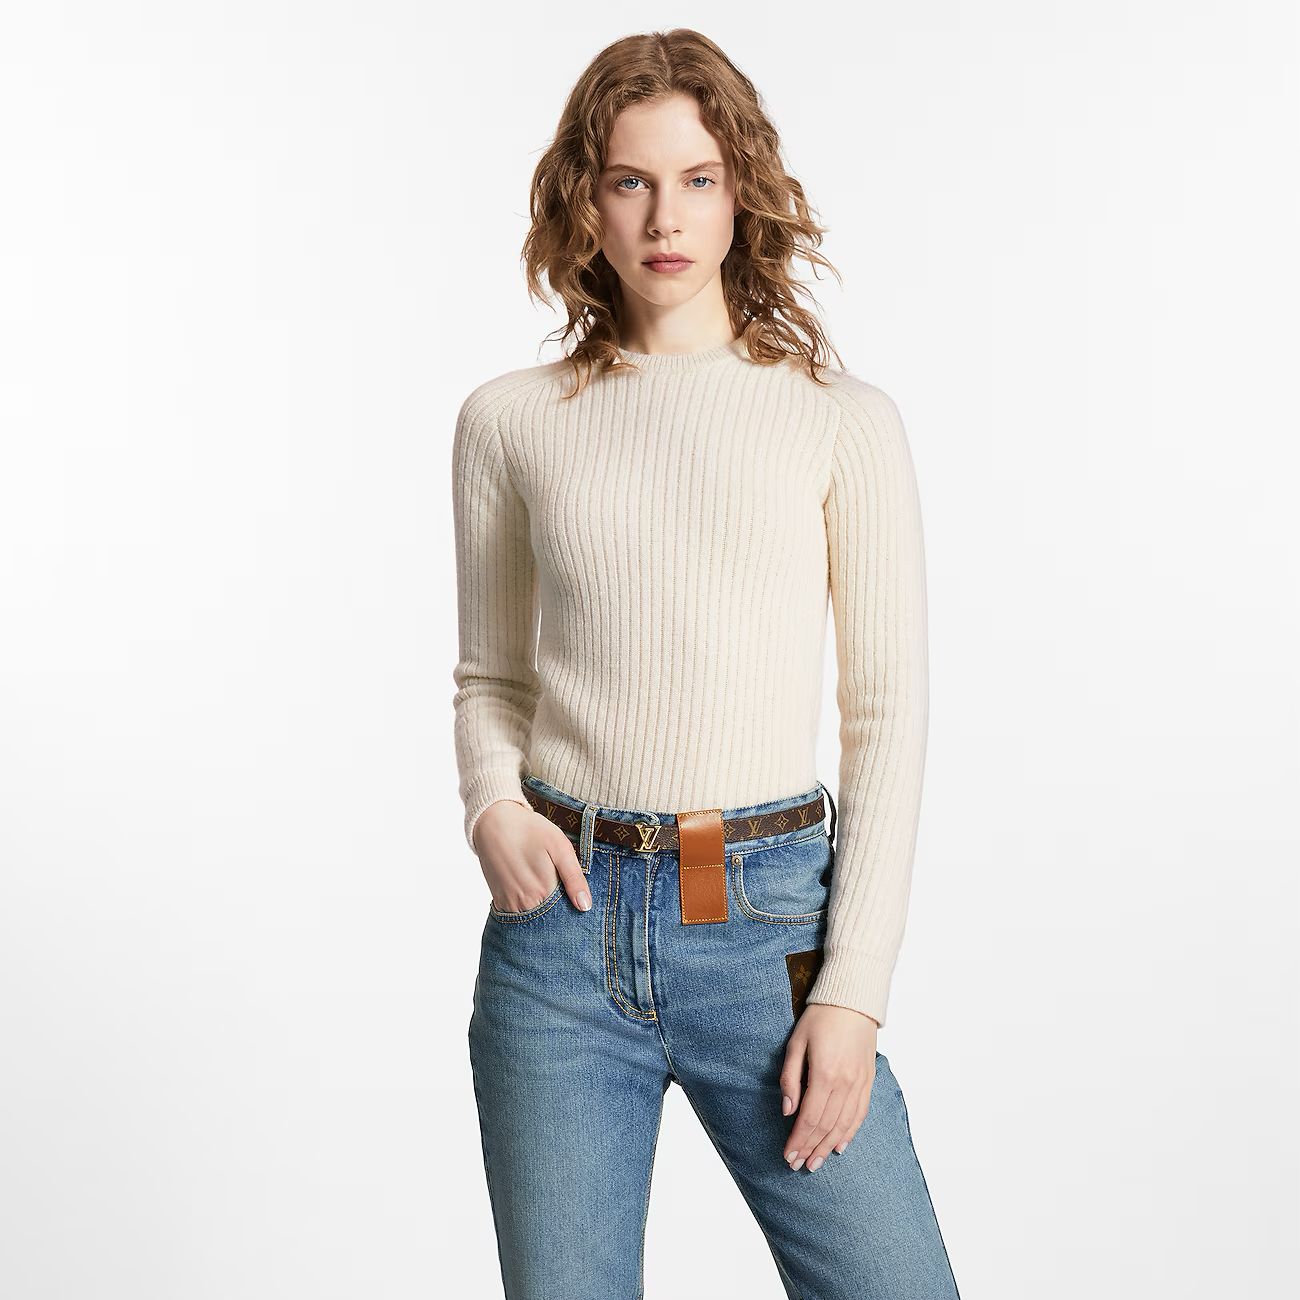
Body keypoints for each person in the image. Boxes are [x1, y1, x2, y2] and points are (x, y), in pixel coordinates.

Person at [451, 28, 960, 1300]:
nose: (663, 218)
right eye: (629, 180)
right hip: (560, 941)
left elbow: (887, 717)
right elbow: (491, 678)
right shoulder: (510, 423)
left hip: (766, 930)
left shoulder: (840, 422)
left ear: (743, 194)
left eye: (697, 179)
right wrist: (492, 802)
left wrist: (852, 994)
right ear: (585, 200)